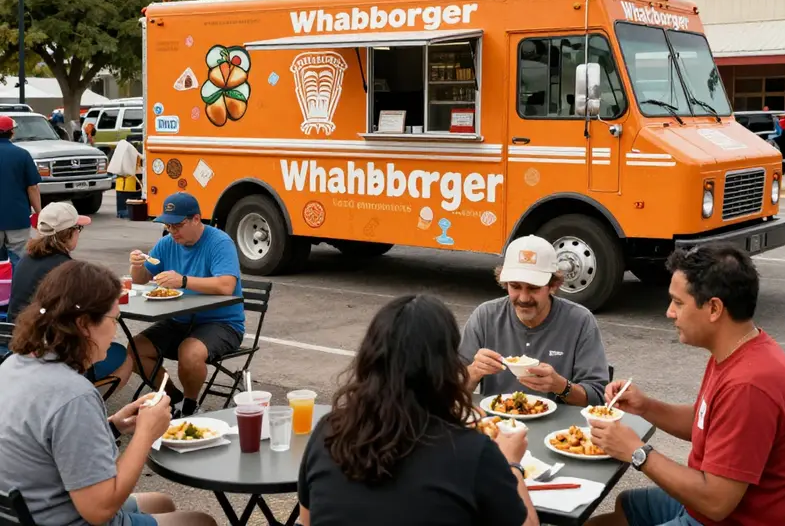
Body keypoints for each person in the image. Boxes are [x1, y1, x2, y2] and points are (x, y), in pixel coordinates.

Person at [587, 243, 785, 526]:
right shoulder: (738, 350)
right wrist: (645, 406)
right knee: (626, 508)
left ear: (714, 308)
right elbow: (707, 422)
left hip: (727, 517)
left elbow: (716, 503)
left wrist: (637, 452)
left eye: (678, 303)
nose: (669, 312)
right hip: (705, 503)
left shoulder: (749, 385)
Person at [0, 260, 217, 526]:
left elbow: (49, 437)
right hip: (66, 516)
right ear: (83, 324)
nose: (115, 330)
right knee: (201, 521)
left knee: (161, 503)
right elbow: (100, 510)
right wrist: (145, 434)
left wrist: (113, 426)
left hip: (32, 506)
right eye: (114, 319)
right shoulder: (74, 395)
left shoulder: (13, 364)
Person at [296, 293, 540, 526]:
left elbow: (306, 520)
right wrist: (512, 466)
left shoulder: (327, 431)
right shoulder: (473, 452)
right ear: (446, 367)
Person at [128, 192, 245, 417]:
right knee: (135, 350)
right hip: (179, 319)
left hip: (222, 322)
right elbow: (141, 279)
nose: (172, 231)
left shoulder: (219, 242)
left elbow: (226, 285)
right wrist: (137, 265)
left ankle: (190, 407)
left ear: (196, 219)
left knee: (189, 352)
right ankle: (174, 399)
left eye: (178, 225)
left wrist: (183, 281)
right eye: (168, 226)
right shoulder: (167, 243)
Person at [459, 234, 610, 406]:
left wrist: (561, 386)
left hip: (559, 423)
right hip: (496, 421)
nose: (524, 298)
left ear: (553, 285)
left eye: (533, 288)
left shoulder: (580, 321)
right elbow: (449, 392)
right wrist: (473, 372)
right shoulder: (485, 316)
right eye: (515, 286)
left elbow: (597, 397)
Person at [7, 201, 133, 387]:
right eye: (78, 229)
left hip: (21, 343)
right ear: (68, 233)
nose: (78, 234)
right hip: (54, 352)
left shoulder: (26, 259)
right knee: (126, 356)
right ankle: (86, 399)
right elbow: (87, 314)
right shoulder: (65, 270)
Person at [0, 114, 42, 270]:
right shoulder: (22, 154)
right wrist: (39, 212)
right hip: (17, 217)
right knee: (19, 260)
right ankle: (18, 285)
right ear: (12, 132)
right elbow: (32, 187)